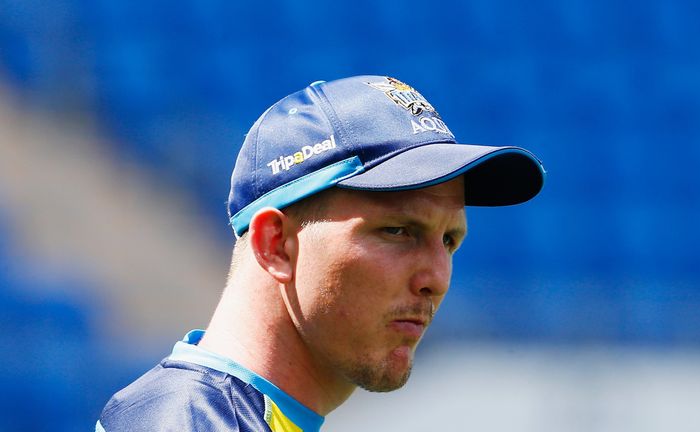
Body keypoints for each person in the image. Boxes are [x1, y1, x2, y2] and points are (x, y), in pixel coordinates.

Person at [96, 75, 546, 432]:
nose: (437, 277)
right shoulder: (186, 422)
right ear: (275, 244)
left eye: (449, 241)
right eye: (398, 230)